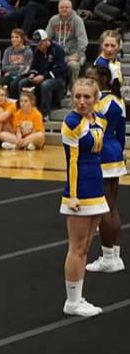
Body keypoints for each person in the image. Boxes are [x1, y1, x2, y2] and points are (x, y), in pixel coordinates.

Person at [60, 77, 109, 317]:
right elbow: (72, 162)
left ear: (95, 99)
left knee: (87, 246)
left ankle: (78, 297)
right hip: (79, 190)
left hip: (96, 186)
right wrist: (72, 196)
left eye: (87, 97)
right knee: (76, 247)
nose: (82, 101)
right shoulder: (71, 123)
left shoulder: (100, 121)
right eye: (78, 96)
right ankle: (72, 301)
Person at [85, 66, 126, 273]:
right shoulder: (113, 100)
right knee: (111, 205)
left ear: (103, 81)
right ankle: (114, 255)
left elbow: (95, 129)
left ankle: (109, 256)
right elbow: (120, 135)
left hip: (104, 152)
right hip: (113, 151)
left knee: (106, 207)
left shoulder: (105, 104)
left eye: (91, 79)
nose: (88, 82)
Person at [18, 29, 67, 119]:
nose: (38, 46)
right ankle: (25, 109)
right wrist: (32, 74)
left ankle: (45, 113)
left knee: (45, 85)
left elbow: (61, 69)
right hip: (41, 76)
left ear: (46, 40)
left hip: (57, 78)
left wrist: (44, 76)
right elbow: (34, 66)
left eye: (40, 44)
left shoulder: (57, 49)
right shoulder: (37, 50)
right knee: (23, 83)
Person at [45, 0, 88, 95]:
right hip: (58, 54)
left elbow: (83, 41)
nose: (64, 9)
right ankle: (58, 89)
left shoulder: (77, 20)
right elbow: (46, 38)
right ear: (58, 9)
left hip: (74, 53)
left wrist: (78, 55)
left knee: (73, 65)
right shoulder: (53, 20)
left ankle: (72, 89)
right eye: (61, 7)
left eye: (66, 7)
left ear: (71, 8)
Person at [0, 28, 33, 99]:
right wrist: (18, 66)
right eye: (12, 37)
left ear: (22, 39)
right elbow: (4, 67)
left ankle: (16, 104)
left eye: (16, 37)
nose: (13, 39)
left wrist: (12, 71)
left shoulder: (28, 51)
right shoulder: (8, 51)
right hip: (10, 75)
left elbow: (26, 68)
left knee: (14, 84)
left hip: (22, 75)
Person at [94, 30, 123, 98]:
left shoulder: (116, 61)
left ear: (119, 47)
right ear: (101, 45)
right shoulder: (100, 64)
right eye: (106, 45)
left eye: (113, 46)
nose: (109, 49)